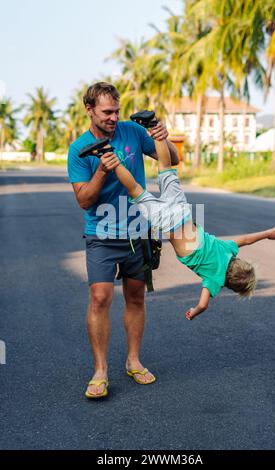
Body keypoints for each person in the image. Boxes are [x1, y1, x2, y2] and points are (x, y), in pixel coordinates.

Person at [111, 112, 275, 321]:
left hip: (182, 211)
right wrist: (195, 311)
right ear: (229, 285)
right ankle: (108, 156)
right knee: (136, 190)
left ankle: (153, 125)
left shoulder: (228, 250)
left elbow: (246, 239)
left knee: (165, 167)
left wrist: (268, 233)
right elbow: (203, 303)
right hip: (168, 222)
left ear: (238, 261)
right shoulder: (214, 279)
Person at [67, 83, 179, 399]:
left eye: (116, 111)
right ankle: (100, 371)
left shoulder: (131, 131)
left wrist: (162, 138)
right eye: (106, 112)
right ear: (89, 110)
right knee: (101, 297)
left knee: (136, 297)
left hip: (139, 231)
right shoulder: (78, 149)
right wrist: (102, 171)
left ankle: (133, 361)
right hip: (101, 235)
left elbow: (173, 160)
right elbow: (84, 201)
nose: (114, 117)